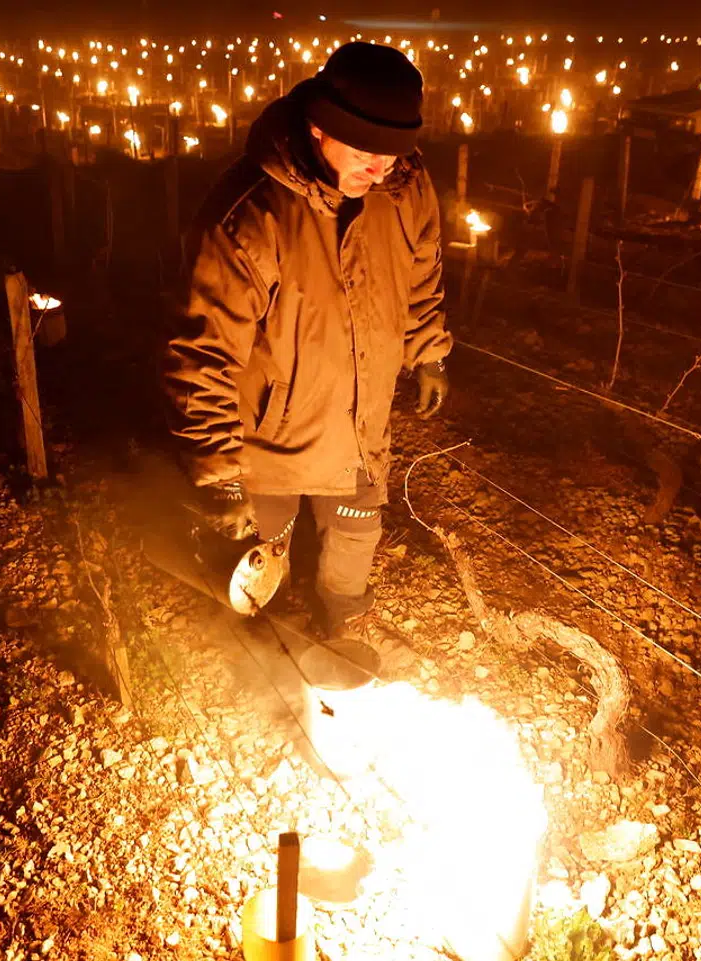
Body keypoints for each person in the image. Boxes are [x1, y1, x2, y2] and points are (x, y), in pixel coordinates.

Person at [162, 41, 453, 637]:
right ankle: (269, 640)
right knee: (263, 558)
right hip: (270, 437)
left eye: (394, 154)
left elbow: (420, 271)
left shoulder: (405, 189)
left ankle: (340, 623)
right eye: (365, 151)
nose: (381, 170)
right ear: (318, 128)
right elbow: (202, 353)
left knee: (355, 530)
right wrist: (218, 475)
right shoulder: (251, 216)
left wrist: (427, 351)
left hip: (362, 420)